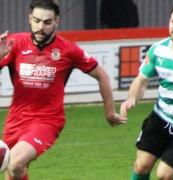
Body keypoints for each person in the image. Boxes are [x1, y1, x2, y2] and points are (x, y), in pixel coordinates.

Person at [0, 0, 126, 179]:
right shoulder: (14, 44)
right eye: (36, 20)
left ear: (56, 21)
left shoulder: (68, 50)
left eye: (47, 22)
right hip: (16, 119)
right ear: (29, 18)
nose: (40, 27)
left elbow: (102, 76)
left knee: (15, 163)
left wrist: (110, 113)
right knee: (13, 171)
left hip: (47, 120)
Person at [120, 1, 173, 179]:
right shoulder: (158, 50)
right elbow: (141, 80)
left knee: (164, 175)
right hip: (160, 118)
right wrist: (131, 98)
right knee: (141, 167)